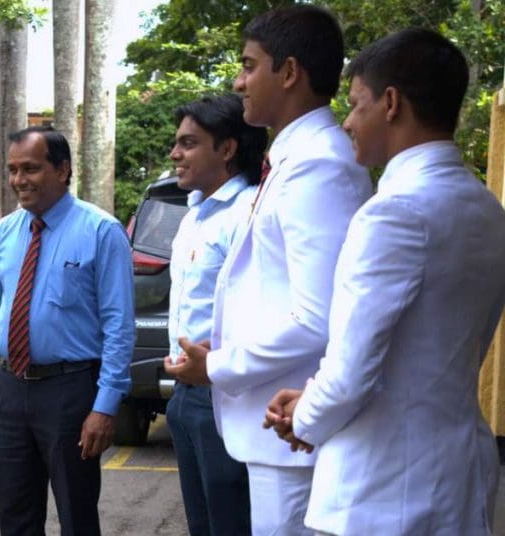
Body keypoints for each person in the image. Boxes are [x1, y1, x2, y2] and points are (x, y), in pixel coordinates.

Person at [263, 28, 505, 535]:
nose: (347, 121)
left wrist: (303, 418)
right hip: (460, 477)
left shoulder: (393, 213)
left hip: (381, 491)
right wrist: (311, 403)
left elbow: (351, 372)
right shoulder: (487, 209)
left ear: (391, 103)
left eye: (356, 104)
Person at [166, 6, 372, 534]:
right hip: (275, 429)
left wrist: (218, 365)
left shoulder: (318, 164)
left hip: (290, 432)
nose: (239, 82)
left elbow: (317, 317)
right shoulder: (292, 160)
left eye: (248, 65)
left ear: (289, 72)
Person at [0, 126, 134, 535]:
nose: (19, 180)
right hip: (12, 388)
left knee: (76, 512)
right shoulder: (3, 233)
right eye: (13, 170)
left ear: (63, 170)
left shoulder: (101, 231)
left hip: (71, 391)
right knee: (16, 514)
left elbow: (119, 326)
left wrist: (104, 407)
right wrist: (26, 336)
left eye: (31, 168)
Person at [162, 94, 267, 535]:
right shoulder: (195, 216)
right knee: (202, 524)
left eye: (188, 143)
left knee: (231, 523)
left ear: (226, 149)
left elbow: (260, 307)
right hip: (185, 395)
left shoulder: (249, 214)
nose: (175, 154)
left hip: (224, 393)